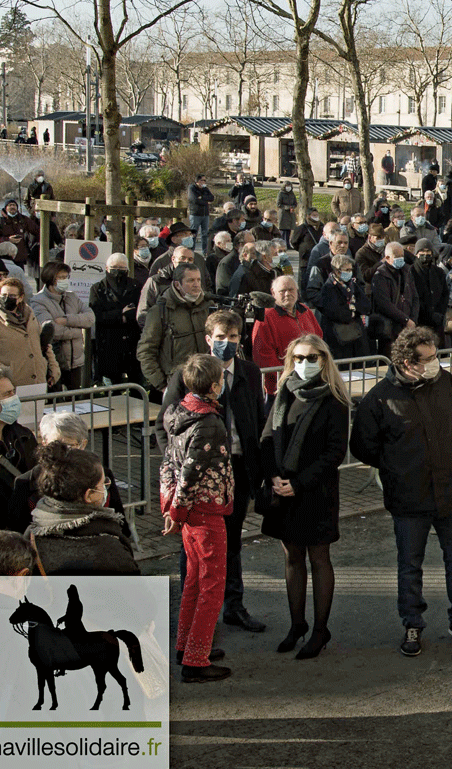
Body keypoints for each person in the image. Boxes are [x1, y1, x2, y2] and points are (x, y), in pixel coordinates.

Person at [350, 327, 452, 656]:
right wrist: (396, 465)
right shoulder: (380, 398)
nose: (433, 364)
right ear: (404, 362)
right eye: (425, 359)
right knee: (410, 565)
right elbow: (363, 445)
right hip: (409, 495)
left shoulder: (447, 384)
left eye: (435, 356)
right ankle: (412, 624)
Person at [159, 310, 268, 634]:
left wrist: (261, 469)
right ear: (208, 339)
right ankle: (193, 615)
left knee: (231, 543)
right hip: (197, 473)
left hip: (237, 469)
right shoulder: (186, 374)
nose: (226, 344)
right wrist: (176, 467)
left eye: (232, 338)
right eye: (220, 338)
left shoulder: (249, 371)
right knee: (193, 548)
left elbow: (258, 422)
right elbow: (165, 423)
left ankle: (233, 606)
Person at [259, 334, 350, 661]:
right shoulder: (284, 392)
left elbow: (334, 453)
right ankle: (297, 624)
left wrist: (298, 483)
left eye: (312, 357)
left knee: (318, 558)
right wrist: (274, 477)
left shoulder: (335, 399)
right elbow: (267, 438)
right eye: (298, 358)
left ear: (324, 360)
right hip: (282, 490)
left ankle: (319, 630)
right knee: (292, 558)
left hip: (316, 492)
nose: (305, 363)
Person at [160, 352, 235, 683]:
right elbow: (190, 473)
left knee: (193, 579)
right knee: (211, 585)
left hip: (189, 511)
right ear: (215, 385)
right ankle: (195, 659)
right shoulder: (209, 424)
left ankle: (185, 645)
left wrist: (171, 508)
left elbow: (168, 465)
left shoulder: (177, 413)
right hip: (204, 510)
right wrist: (177, 510)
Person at [26, 442, 138, 576]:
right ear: (89, 495)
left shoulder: (32, 533)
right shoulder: (107, 546)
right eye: (103, 484)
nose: (106, 488)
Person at [0, 367, 38, 532]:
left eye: (13, 393)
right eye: (7, 395)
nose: (14, 399)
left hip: (24, 533)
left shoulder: (24, 436)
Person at [137, 262, 212, 392]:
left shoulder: (208, 306)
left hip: (206, 381)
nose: (196, 284)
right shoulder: (160, 312)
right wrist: (162, 385)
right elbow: (146, 351)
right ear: (177, 284)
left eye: (198, 280)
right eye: (190, 280)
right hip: (176, 384)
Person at [0, 277, 59, 389]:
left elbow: (44, 346)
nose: (7, 299)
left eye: (11, 296)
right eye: (3, 295)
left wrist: (54, 368)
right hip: (11, 387)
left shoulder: (30, 317)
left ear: (20, 298)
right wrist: (7, 373)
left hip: (38, 383)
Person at [30, 261, 95, 391]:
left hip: (75, 361)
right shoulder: (37, 301)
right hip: (54, 361)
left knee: (74, 399)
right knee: (57, 401)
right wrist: (78, 331)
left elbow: (90, 318)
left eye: (66, 277)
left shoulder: (71, 297)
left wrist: (66, 320)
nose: (64, 280)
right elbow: (51, 329)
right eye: (61, 278)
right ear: (51, 279)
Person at [253, 276, 323, 393]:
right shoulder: (265, 317)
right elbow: (263, 356)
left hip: (310, 381)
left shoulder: (305, 311)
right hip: (280, 387)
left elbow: (319, 340)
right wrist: (289, 376)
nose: (287, 294)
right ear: (273, 293)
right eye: (282, 291)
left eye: (291, 290)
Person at [89, 253, 143, 385]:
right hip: (109, 344)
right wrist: (121, 314)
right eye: (115, 268)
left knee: (136, 384)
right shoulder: (97, 289)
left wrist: (125, 316)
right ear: (107, 268)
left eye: (122, 268)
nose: (118, 271)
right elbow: (97, 315)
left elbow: (140, 311)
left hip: (132, 343)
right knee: (112, 387)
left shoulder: (136, 285)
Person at [318, 254, 373, 360]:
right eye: (346, 270)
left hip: (356, 334)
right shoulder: (328, 288)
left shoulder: (353, 285)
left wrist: (353, 308)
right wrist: (354, 310)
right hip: (338, 338)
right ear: (337, 271)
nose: (349, 272)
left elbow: (366, 306)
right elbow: (339, 313)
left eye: (350, 270)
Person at [410, 240, 449, 342]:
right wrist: (428, 314)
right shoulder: (411, 271)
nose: (426, 254)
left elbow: (444, 294)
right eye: (422, 251)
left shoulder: (439, 272)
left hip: (437, 320)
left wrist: (440, 313)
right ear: (416, 254)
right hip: (420, 320)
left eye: (428, 251)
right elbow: (413, 296)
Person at [0, 200, 38, 267]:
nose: (12, 207)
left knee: (19, 276)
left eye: (14, 205)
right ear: (6, 208)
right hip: (4, 257)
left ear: (17, 208)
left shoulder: (23, 219)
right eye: (10, 205)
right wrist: (8, 239)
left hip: (20, 256)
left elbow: (37, 231)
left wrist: (33, 246)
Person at [188, 175, 215, 254]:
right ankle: (191, 251)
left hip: (205, 214)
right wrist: (205, 202)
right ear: (198, 181)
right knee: (193, 234)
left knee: (205, 234)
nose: (203, 182)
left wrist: (202, 197)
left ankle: (205, 252)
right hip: (195, 214)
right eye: (202, 180)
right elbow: (194, 200)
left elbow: (212, 198)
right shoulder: (192, 188)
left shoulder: (205, 189)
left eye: (204, 180)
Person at [277, 182, 298, 247]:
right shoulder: (281, 193)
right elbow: (279, 204)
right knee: (283, 230)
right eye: (287, 186)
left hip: (290, 214)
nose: (288, 187)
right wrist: (287, 207)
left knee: (289, 230)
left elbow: (295, 203)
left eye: (289, 186)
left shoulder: (292, 194)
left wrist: (293, 207)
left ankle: (288, 244)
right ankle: (282, 244)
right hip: (283, 213)